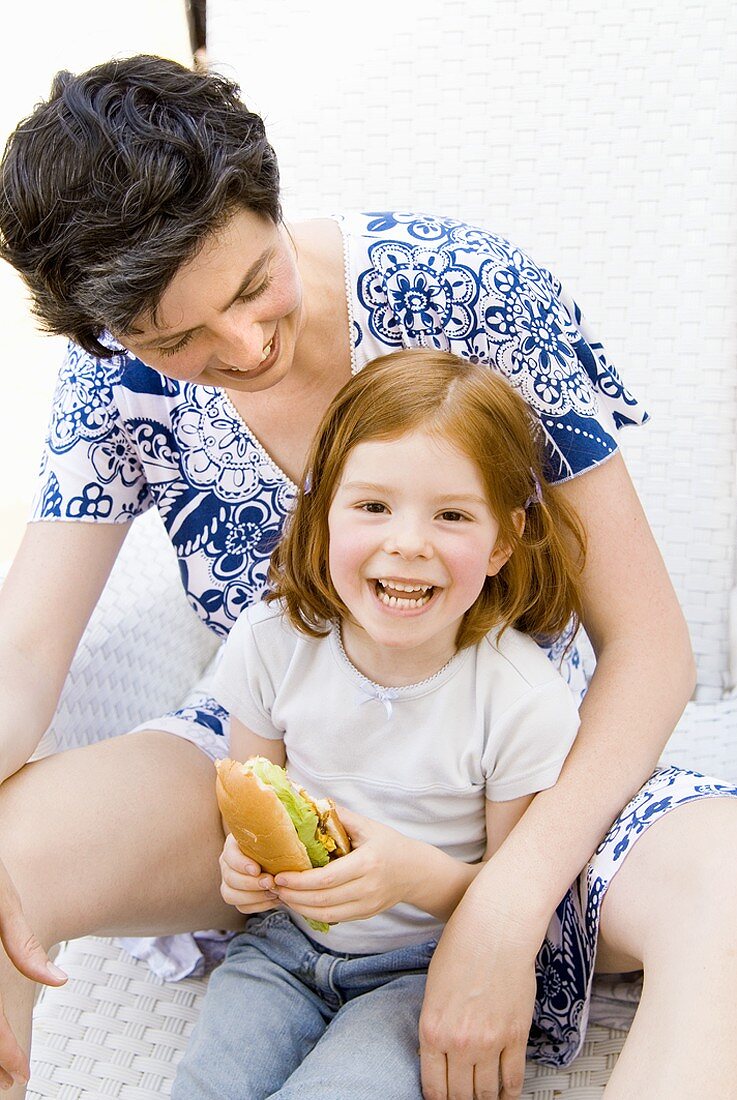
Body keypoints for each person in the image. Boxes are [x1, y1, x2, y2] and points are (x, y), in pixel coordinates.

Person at [0, 53, 734, 1099]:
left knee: (727, 883)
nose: (246, 343)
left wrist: (500, 902)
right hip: (282, 752)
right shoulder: (108, 372)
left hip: (518, 772)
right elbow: (25, 648)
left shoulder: (462, 291)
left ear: (269, 198)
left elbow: (650, 645)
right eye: (177, 340)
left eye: (255, 285)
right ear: (112, 332)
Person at [171, 349, 586, 1098]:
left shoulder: (520, 698)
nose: (407, 541)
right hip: (280, 950)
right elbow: (249, 793)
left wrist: (412, 875)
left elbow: (517, 897)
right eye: (372, 506)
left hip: (425, 969)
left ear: (501, 540)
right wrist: (244, 865)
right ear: (324, 511)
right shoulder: (272, 644)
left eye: (452, 515)